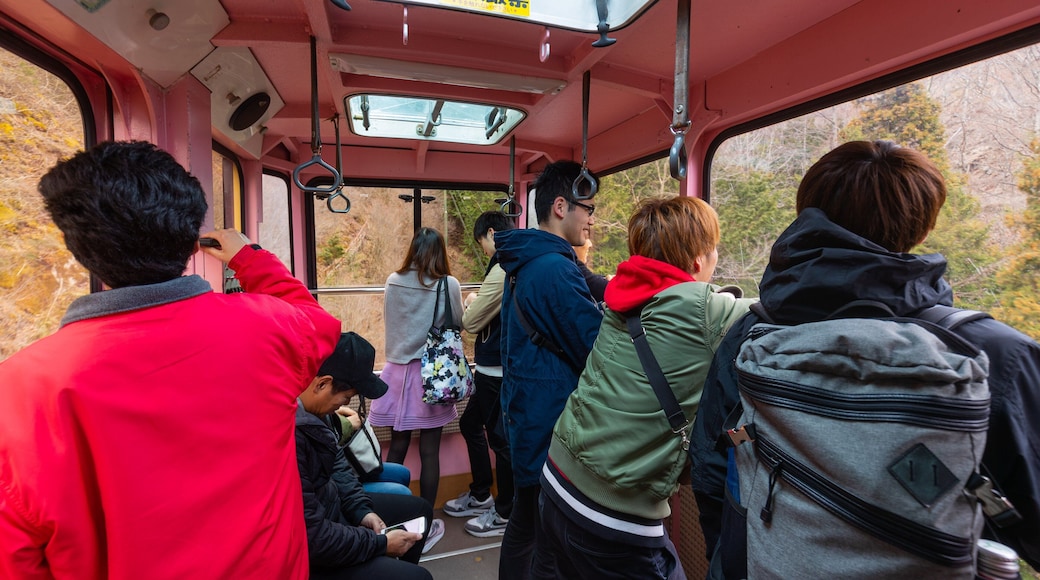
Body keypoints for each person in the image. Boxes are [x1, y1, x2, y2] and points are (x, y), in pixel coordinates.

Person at [689, 140, 1040, 574]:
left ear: (808, 217)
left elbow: (711, 464)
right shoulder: (995, 353)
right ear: (922, 227)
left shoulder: (751, 333)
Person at [0, 141, 342, 579]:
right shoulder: (266, 329)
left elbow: (19, 555)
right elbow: (318, 322)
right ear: (191, 238)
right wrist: (246, 257)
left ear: (78, 247)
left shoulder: (22, 388)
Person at [533, 197, 755, 580]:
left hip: (557, 479)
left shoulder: (622, 293)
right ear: (700, 258)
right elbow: (783, 312)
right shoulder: (705, 308)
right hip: (613, 514)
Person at [494, 160, 605, 579]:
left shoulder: (527, 261)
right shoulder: (555, 269)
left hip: (526, 412)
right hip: (549, 419)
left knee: (524, 527)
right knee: (549, 541)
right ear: (561, 206)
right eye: (588, 208)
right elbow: (593, 348)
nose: (591, 218)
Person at [296, 332, 434, 580]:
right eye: (346, 397)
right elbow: (313, 537)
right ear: (322, 384)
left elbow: (338, 465)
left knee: (419, 510)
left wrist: (361, 511)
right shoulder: (291, 436)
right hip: (313, 547)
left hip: (332, 510)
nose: (343, 405)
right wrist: (377, 545)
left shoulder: (319, 414)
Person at [369, 226, 462, 552]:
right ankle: (424, 524)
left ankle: (388, 518)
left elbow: (390, 321)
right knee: (429, 451)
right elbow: (458, 321)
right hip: (431, 376)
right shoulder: (447, 284)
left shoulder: (393, 281)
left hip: (396, 374)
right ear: (440, 253)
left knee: (396, 448)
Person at [442, 211, 515, 537]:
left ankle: (504, 512)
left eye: (482, 243)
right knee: (473, 424)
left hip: (495, 370)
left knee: (502, 442)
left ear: (489, 233)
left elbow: (471, 322)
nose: (483, 249)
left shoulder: (502, 267)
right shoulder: (504, 264)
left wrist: (471, 301)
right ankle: (483, 493)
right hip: (491, 367)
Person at [333, 405, 414, 496]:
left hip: (346, 469)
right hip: (333, 483)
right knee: (402, 492)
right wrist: (346, 425)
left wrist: (337, 413)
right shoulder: (316, 425)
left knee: (402, 473)